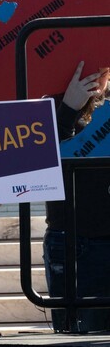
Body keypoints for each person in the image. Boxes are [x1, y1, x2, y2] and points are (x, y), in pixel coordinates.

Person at [43, 60, 110, 332]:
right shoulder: (46, 102)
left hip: (88, 237)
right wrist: (69, 109)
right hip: (76, 241)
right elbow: (40, 159)